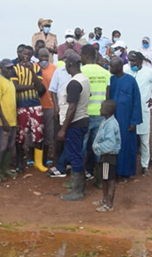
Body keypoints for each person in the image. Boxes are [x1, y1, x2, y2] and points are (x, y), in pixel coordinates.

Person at [124, 51, 152, 176]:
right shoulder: (126, 70)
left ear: (140, 61)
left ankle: (144, 165)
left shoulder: (149, 72)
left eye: (134, 61)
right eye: (130, 61)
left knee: (144, 140)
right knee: (129, 139)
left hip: (143, 109)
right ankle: (130, 165)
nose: (132, 63)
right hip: (129, 110)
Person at [58, 52, 91, 201]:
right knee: (78, 154)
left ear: (70, 65)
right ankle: (79, 187)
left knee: (74, 156)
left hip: (74, 123)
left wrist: (63, 129)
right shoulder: (84, 79)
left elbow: (72, 107)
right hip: (82, 120)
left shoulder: (74, 83)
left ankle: (77, 191)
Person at [12, 46, 48, 172]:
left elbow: (39, 87)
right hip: (21, 105)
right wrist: (31, 87)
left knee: (38, 134)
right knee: (20, 136)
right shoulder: (14, 68)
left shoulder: (37, 68)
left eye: (28, 54)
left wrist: (32, 71)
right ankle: (20, 163)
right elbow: (15, 87)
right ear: (20, 54)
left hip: (35, 105)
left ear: (31, 55)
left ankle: (38, 163)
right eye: (23, 54)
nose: (25, 56)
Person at [80, 44, 111, 185]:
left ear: (86, 56)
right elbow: (108, 95)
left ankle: (79, 180)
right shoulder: (105, 72)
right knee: (99, 148)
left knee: (81, 148)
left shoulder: (81, 71)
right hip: (101, 115)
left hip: (84, 115)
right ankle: (100, 180)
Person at [109, 56, 142, 181]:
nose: (110, 68)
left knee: (127, 147)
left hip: (127, 120)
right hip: (114, 119)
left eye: (112, 66)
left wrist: (134, 122)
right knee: (114, 146)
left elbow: (136, 102)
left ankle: (126, 173)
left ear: (119, 67)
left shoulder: (130, 81)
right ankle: (115, 172)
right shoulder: (111, 80)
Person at [47, 49, 76, 178]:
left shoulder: (78, 72)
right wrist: (56, 107)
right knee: (59, 138)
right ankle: (58, 163)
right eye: (66, 58)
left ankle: (67, 163)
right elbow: (53, 90)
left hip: (73, 108)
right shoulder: (58, 72)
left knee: (71, 137)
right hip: (61, 109)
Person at [92, 100, 121, 212]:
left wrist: (97, 148)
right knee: (105, 178)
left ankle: (109, 204)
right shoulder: (106, 121)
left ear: (107, 111)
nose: (100, 110)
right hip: (106, 155)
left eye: (102, 108)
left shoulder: (110, 125)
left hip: (109, 156)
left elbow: (110, 144)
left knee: (110, 180)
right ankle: (104, 200)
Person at [0, 59, 17, 180]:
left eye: (11, 68)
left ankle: (6, 168)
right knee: (1, 147)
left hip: (13, 120)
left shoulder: (10, 81)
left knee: (10, 146)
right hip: (3, 122)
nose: (10, 70)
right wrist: (4, 120)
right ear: (2, 68)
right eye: (7, 68)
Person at [37, 48, 57, 167]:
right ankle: (33, 158)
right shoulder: (33, 67)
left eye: (46, 56)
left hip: (50, 105)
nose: (44, 59)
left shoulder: (54, 69)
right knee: (36, 133)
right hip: (36, 105)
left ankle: (46, 157)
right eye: (42, 57)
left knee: (49, 133)